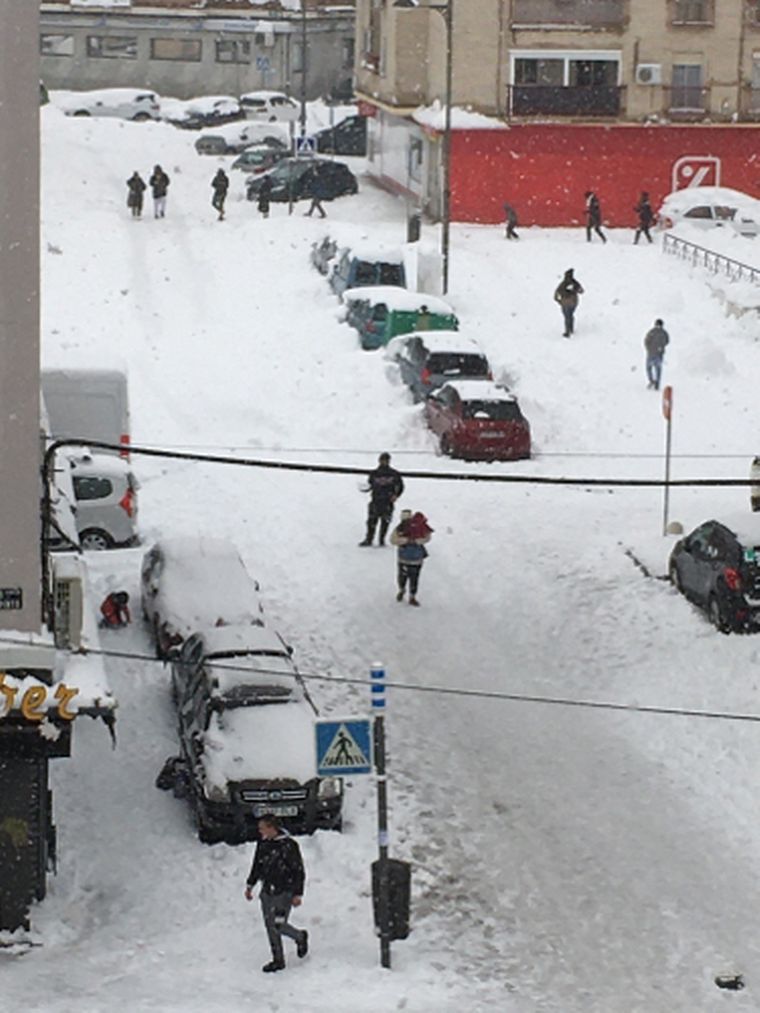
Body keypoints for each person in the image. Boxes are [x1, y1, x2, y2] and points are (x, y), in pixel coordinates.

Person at [244, 816, 308, 973]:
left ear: (272, 828)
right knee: (270, 925)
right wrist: (250, 884)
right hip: (267, 891)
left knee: (278, 924)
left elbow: (298, 870)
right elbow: (257, 866)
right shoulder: (263, 845)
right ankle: (278, 959)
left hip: (284, 892)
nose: (260, 831)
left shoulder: (289, 846)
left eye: (262, 828)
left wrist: (297, 893)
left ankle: (300, 936)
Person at [359, 452, 404, 547]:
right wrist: (364, 488)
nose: (384, 462)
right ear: (379, 461)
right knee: (371, 521)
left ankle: (381, 540)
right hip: (376, 500)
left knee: (385, 522)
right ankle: (369, 539)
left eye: (386, 460)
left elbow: (401, 486)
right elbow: (369, 485)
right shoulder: (374, 474)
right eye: (383, 460)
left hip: (388, 501)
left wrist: (396, 495)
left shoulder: (394, 474)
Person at [391, 510, 433, 607]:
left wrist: (405, 541)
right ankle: (412, 596)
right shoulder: (421, 526)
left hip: (403, 558)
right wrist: (416, 541)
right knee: (414, 578)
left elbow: (393, 540)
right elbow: (427, 538)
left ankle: (402, 590)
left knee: (402, 576)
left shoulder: (400, 528)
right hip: (416, 559)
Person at [553, 268, 585, 338]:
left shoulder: (563, 284)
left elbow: (556, 294)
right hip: (573, 302)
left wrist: (559, 301)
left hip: (566, 303)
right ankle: (570, 329)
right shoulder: (574, 283)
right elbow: (582, 291)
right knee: (569, 316)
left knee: (567, 316)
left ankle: (568, 331)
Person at [644, 318, 669, 390]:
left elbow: (646, 341)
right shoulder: (664, 333)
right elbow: (667, 341)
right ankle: (657, 383)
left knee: (649, 368)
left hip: (651, 353)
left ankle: (651, 380)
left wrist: (649, 348)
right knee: (658, 369)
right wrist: (661, 346)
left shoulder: (651, 332)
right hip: (659, 354)